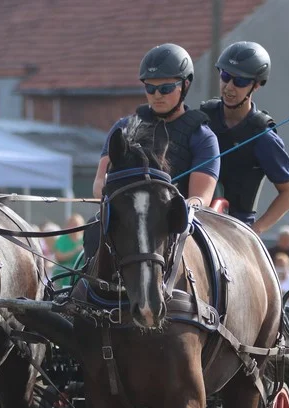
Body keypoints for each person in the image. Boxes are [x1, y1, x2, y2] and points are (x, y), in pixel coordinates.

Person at [85, 44, 220, 259]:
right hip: (125, 219)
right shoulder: (123, 129)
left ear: (185, 85)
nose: (157, 95)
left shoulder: (202, 137)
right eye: (150, 88)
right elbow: (99, 183)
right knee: (92, 230)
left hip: (175, 225)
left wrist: (178, 206)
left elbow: (200, 198)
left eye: (165, 88)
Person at [199, 41, 289, 233]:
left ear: (257, 85)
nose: (229, 87)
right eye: (225, 76)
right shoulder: (202, 119)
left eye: (240, 81)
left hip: (235, 231)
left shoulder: (264, 138)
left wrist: (256, 229)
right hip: (197, 221)